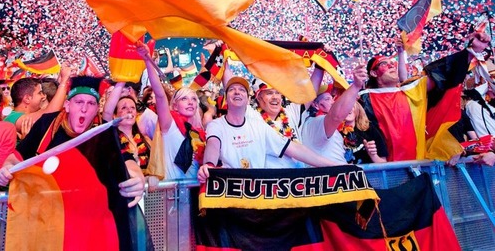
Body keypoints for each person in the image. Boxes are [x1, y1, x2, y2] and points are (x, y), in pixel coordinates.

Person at [0, 76, 145, 207]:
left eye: (91, 103)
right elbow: (15, 158)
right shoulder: (47, 125)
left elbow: (126, 159)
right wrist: (5, 169)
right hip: (47, 212)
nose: (84, 109)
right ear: (67, 105)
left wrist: (137, 177)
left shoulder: (102, 130)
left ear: (97, 108)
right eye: (79, 102)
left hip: (87, 216)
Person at [359, 31, 488, 161]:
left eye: (392, 63)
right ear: (374, 73)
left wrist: (471, 50)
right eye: (383, 64)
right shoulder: (363, 99)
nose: (391, 65)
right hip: (385, 171)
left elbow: (443, 72)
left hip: (419, 167)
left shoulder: (412, 90)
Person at [198, 76, 339, 183]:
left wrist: (335, 166)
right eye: (269, 93)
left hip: (296, 184)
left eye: (278, 93)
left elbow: (294, 149)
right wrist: (209, 165)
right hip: (265, 187)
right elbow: (213, 144)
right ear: (257, 98)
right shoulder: (250, 116)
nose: (275, 97)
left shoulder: (282, 116)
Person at [137, 42, 206, 180]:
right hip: (170, 193)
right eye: (184, 99)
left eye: (193, 99)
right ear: (174, 105)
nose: (190, 102)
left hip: (193, 193)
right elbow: (160, 95)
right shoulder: (169, 124)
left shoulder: (199, 133)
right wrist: (147, 61)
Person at [300, 65, 368, 164]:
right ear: (315, 104)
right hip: (332, 176)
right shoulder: (316, 122)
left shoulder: (332, 126)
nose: (333, 102)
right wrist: (356, 86)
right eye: (327, 99)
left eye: (332, 97)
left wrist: (320, 67)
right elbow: (335, 116)